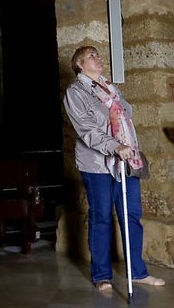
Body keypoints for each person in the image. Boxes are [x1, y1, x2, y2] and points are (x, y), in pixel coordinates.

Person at [63, 46, 165, 291]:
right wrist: (114, 146)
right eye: (91, 56)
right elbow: (87, 129)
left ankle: (137, 272)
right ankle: (101, 275)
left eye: (98, 55)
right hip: (97, 163)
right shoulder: (75, 92)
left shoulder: (110, 88)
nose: (98, 58)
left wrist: (125, 146)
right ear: (79, 65)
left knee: (131, 215)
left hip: (126, 159)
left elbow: (126, 115)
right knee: (101, 216)